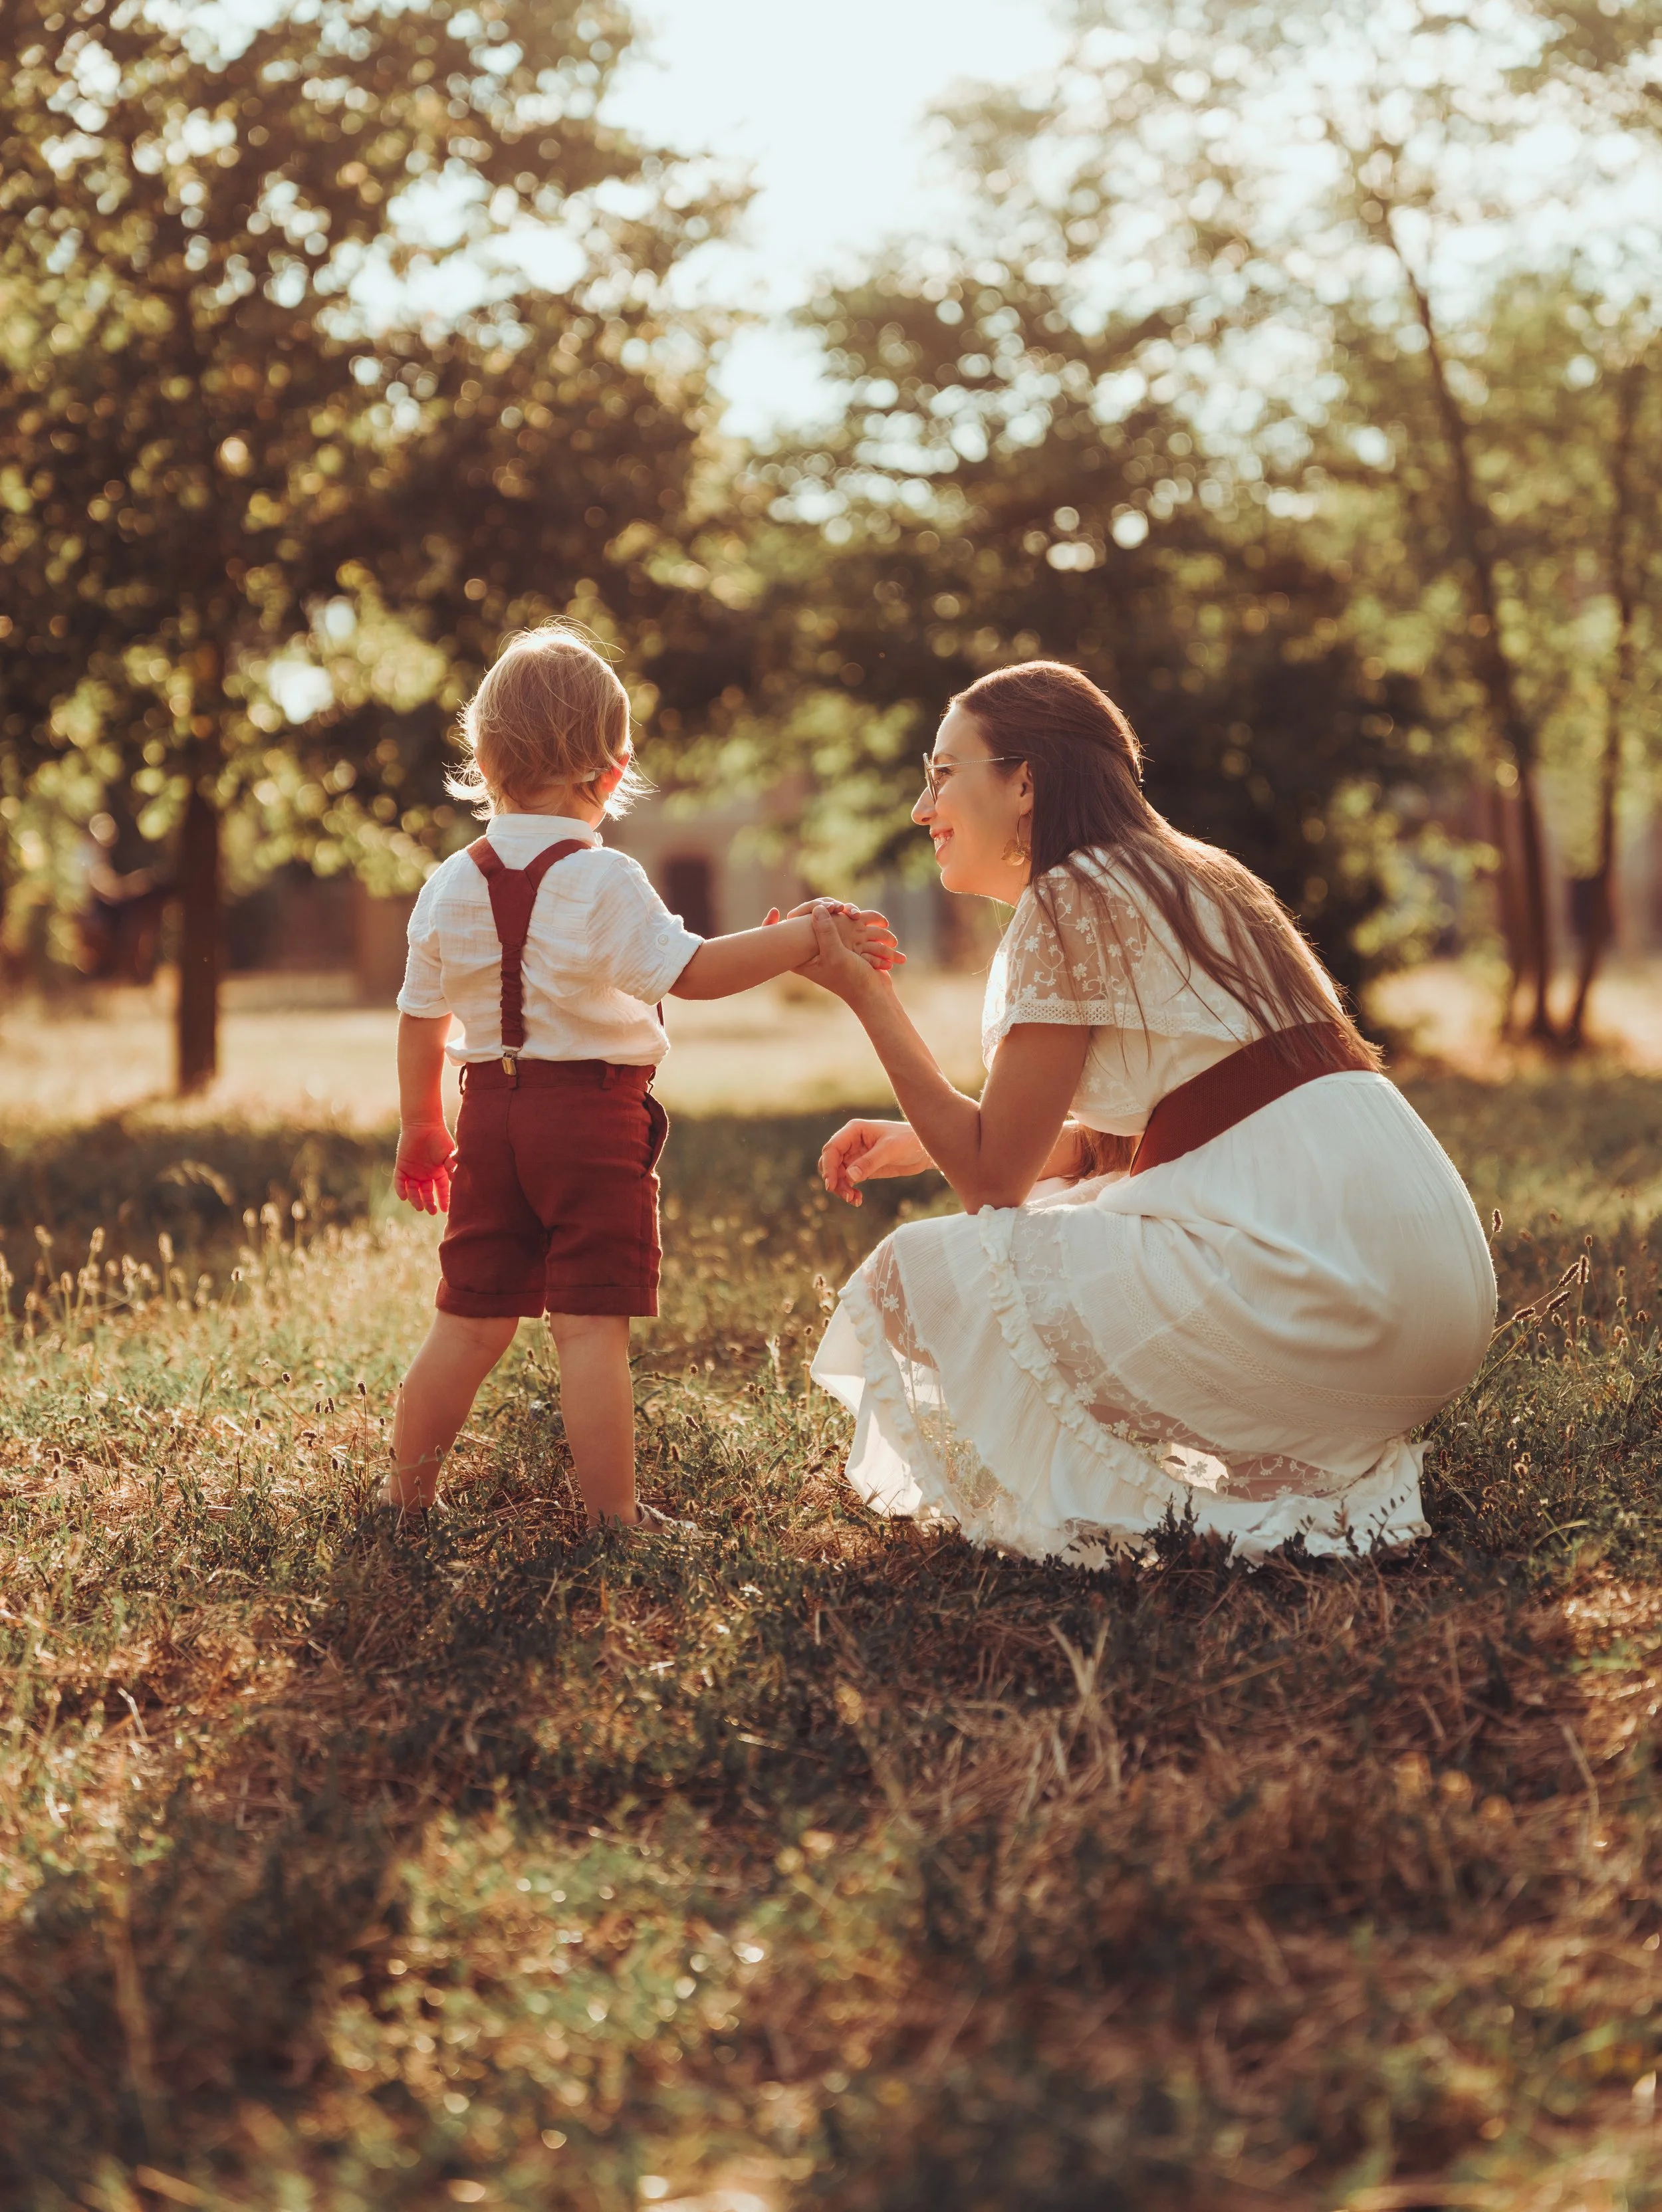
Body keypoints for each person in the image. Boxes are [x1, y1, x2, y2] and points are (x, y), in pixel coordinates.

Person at [800, 660, 1496, 1565]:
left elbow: (990, 1182)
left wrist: (867, 995)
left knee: (925, 1268)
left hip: (1334, 1295)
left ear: (1024, 782)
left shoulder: (1072, 895)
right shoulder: (1198, 874)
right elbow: (1161, 1123)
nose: (922, 807)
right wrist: (927, 1143)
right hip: (1424, 1294)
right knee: (1058, 1221)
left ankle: (1109, 1513)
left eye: (942, 773)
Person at [383, 621, 898, 1522]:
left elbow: (421, 1014)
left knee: (466, 1324)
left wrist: (422, 1125)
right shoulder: (604, 878)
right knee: (588, 1327)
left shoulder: (445, 884)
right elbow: (689, 971)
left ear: (484, 759)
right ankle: (613, 1526)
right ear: (611, 773)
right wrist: (802, 936)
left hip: (487, 1120)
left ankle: (405, 1501)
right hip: (588, 1121)